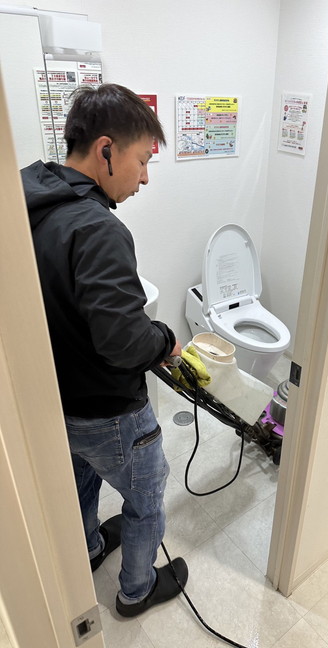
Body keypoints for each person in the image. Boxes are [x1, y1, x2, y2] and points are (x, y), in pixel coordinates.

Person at [21, 83, 188, 617]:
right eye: (142, 160)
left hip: (56, 400)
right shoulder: (97, 228)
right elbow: (124, 342)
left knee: (79, 480)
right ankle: (137, 590)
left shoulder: (26, 200)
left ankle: (89, 548)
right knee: (146, 498)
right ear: (107, 150)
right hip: (110, 411)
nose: (144, 177)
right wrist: (164, 339)